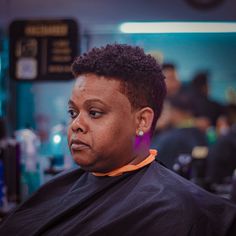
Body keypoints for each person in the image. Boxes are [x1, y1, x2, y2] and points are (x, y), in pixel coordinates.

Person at [0, 44, 236, 236]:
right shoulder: (56, 189)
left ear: (142, 121)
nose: (76, 124)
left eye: (94, 113)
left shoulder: (176, 212)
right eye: (73, 112)